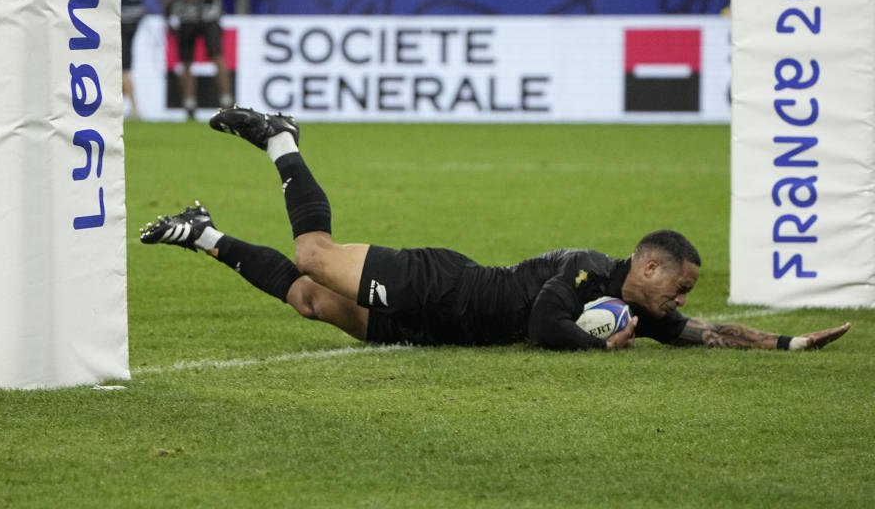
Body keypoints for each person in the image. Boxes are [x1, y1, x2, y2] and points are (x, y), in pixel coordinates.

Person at [140, 107, 852, 353]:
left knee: (310, 299)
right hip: (446, 284)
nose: (683, 300)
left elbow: (705, 334)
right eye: (681, 286)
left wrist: (785, 342)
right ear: (650, 265)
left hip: (434, 328)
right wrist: (599, 349)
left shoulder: (633, 306)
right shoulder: (585, 271)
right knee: (314, 254)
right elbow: (546, 323)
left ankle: (203, 234)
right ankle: (281, 139)